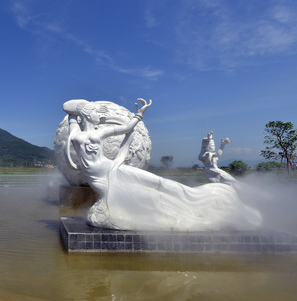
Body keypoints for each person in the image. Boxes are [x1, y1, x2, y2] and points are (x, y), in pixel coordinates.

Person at [63, 98, 261, 231]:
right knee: (151, 196)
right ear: (88, 116)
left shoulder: (99, 133)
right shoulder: (78, 136)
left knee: (162, 183)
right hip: (100, 178)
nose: (101, 116)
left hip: (113, 168)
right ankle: (191, 219)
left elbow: (126, 128)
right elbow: (68, 108)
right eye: (97, 113)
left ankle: (206, 199)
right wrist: (77, 112)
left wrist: (139, 113)